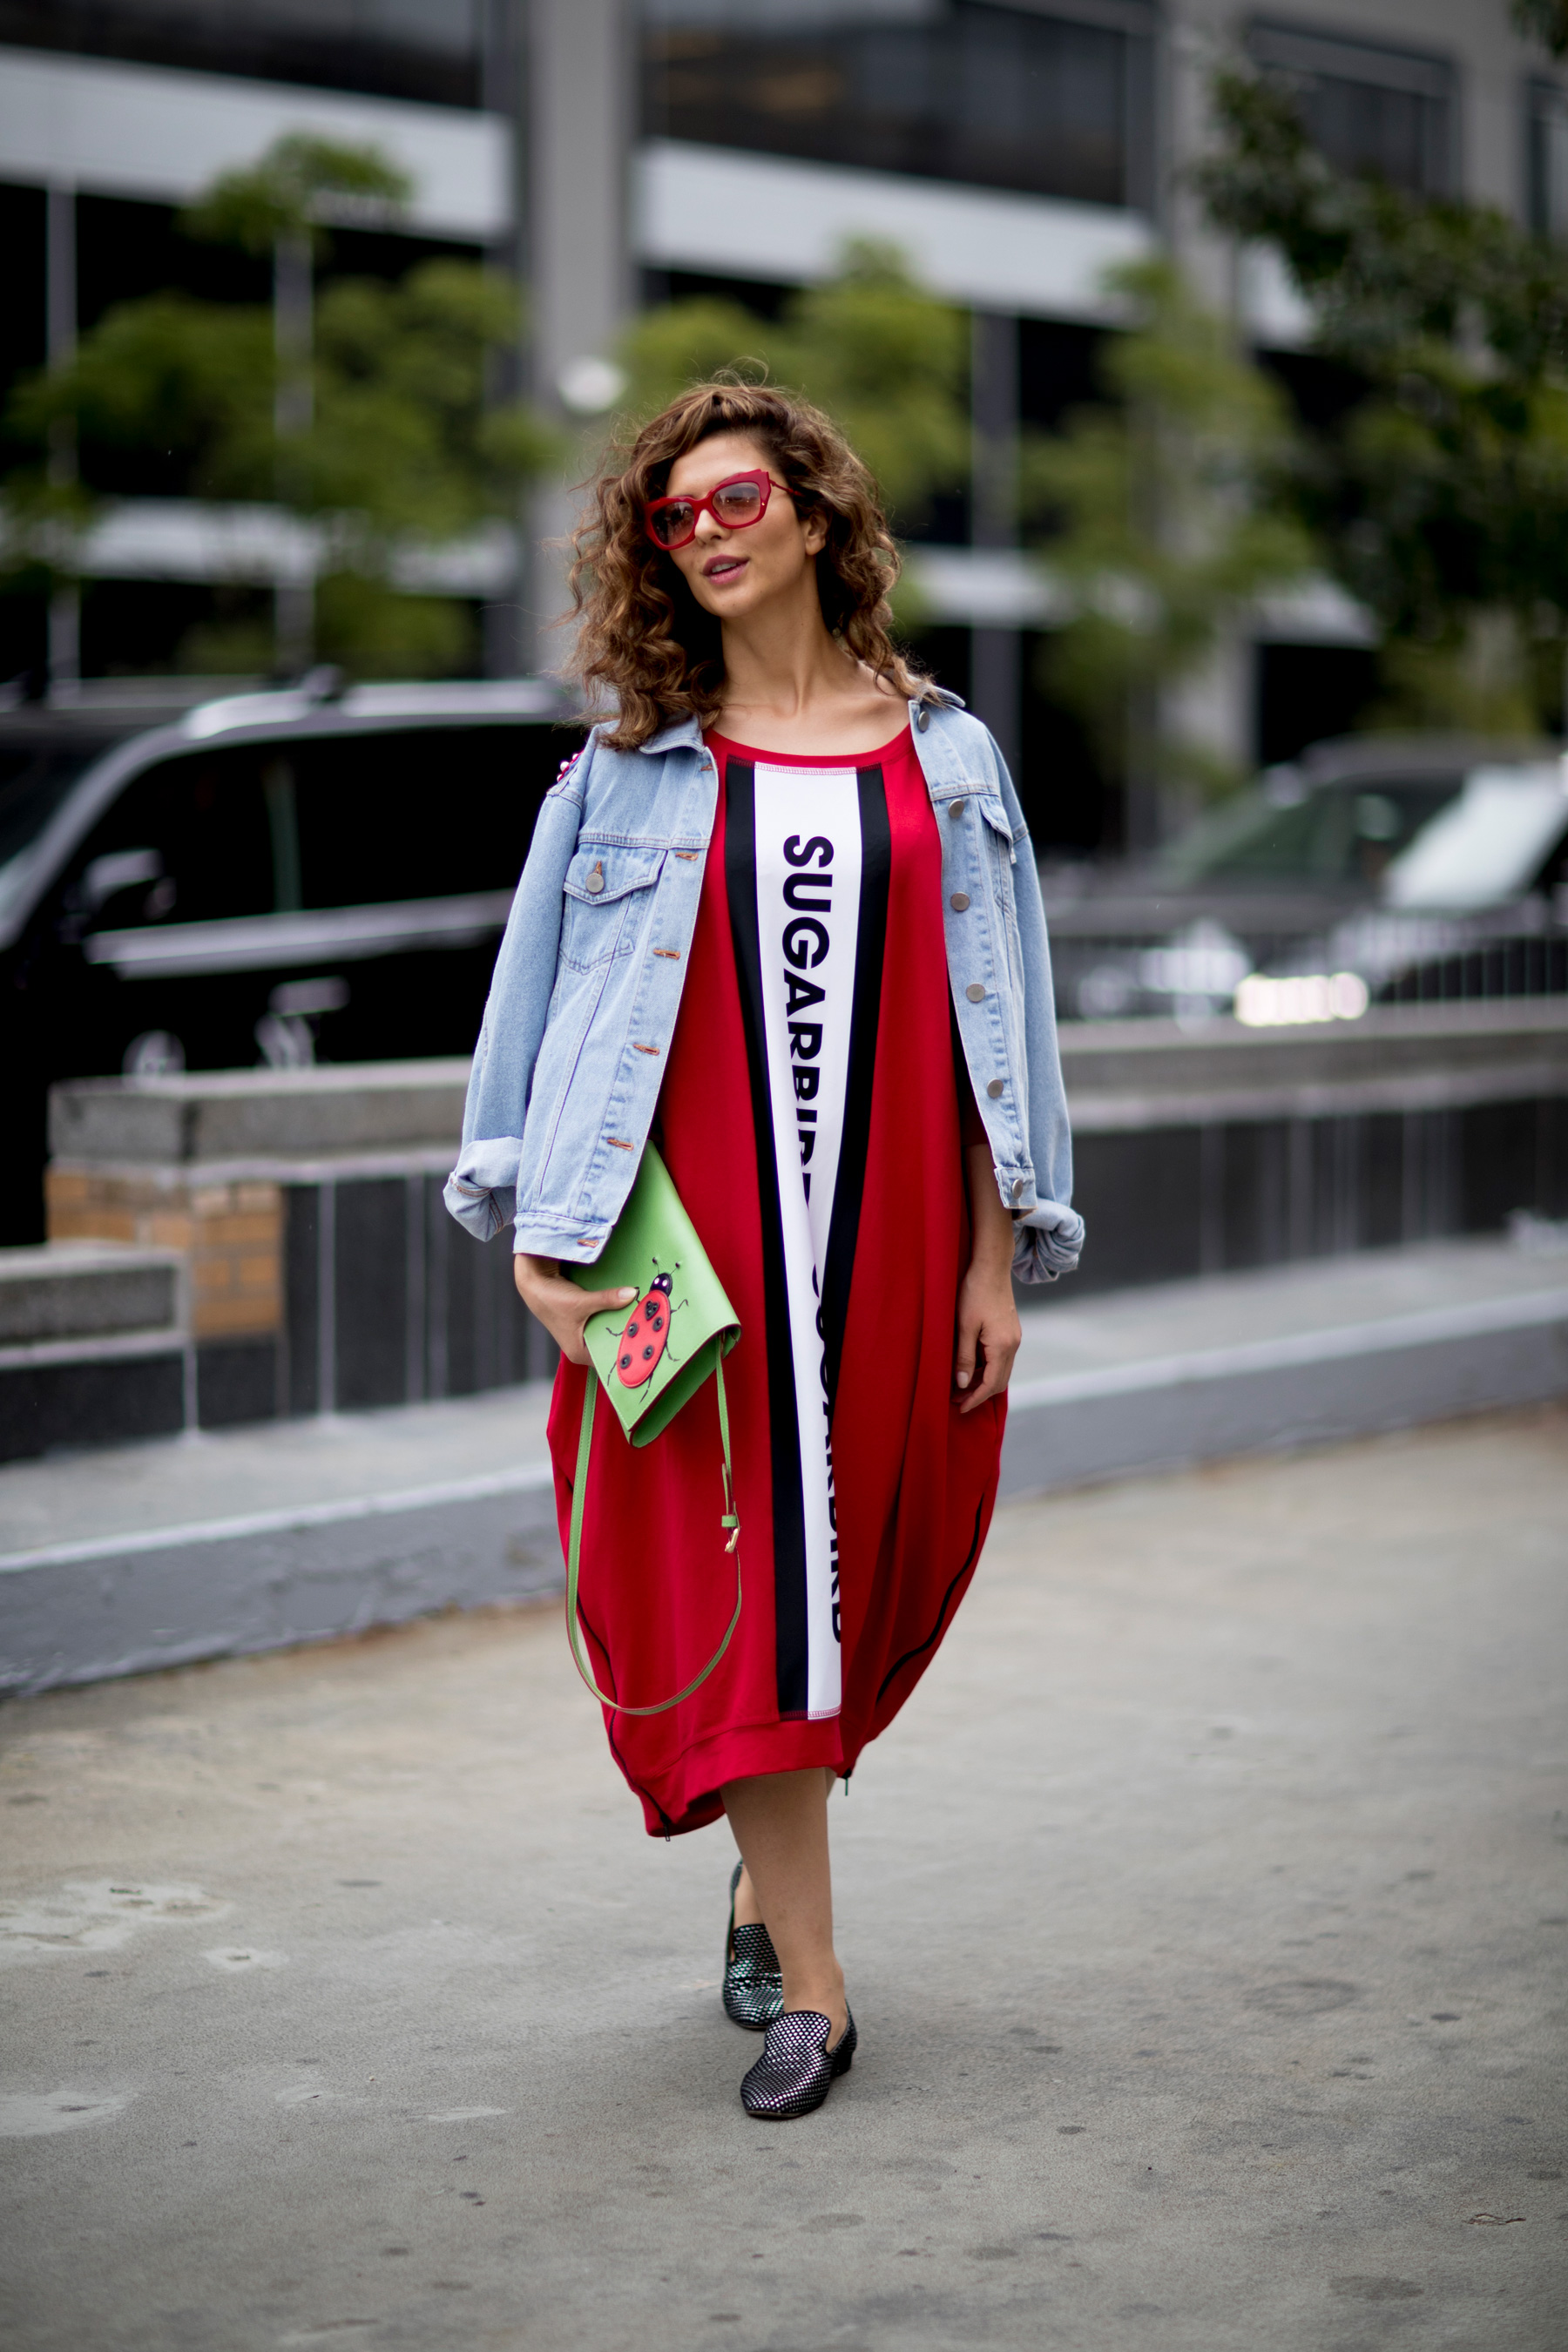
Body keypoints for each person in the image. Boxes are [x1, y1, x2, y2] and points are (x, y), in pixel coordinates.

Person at [446, 382, 1082, 2119]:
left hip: (894, 1237)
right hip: (692, 1257)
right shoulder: (626, 774)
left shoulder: (948, 758)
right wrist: (532, 1240)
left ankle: (761, 1872)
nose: (705, 535)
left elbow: (996, 1027)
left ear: (813, 513)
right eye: (673, 519)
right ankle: (818, 1989)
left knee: (853, 1589)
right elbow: (528, 1020)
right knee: (751, 1610)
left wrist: (994, 1261)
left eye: (736, 502)